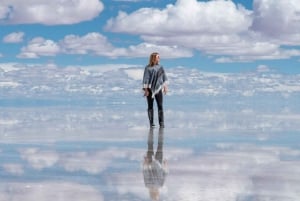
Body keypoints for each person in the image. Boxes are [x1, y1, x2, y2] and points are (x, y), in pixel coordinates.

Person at [142, 52, 168, 128]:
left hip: (158, 89)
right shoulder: (147, 68)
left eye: (159, 57)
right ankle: (151, 123)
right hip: (149, 89)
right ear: (154, 58)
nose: (159, 58)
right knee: (150, 106)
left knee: (160, 105)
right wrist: (146, 90)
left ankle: (161, 123)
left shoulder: (160, 67)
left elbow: (164, 77)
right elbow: (145, 78)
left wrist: (165, 87)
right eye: (158, 57)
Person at [143, 128, 168, 201]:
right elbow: (146, 173)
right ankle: (152, 131)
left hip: (157, 163)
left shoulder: (160, 185)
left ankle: (159, 131)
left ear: (157, 193)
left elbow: (164, 173)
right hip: (152, 163)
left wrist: (165, 165)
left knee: (160, 145)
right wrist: (145, 163)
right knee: (150, 145)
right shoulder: (148, 185)